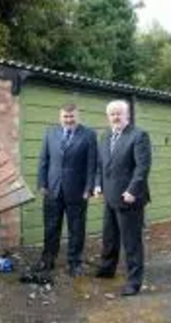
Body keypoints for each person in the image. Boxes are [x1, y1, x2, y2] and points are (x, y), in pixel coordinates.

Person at [94, 100, 152, 296]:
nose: (116, 117)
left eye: (119, 113)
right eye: (112, 114)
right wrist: (97, 184)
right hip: (110, 197)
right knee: (109, 237)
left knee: (131, 242)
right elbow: (100, 164)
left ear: (127, 115)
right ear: (108, 117)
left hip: (129, 199)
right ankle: (107, 269)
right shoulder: (105, 136)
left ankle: (134, 281)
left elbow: (142, 167)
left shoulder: (138, 136)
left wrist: (132, 191)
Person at [33, 103, 97, 277]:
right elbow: (43, 160)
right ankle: (47, 260)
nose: (69, 120)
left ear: (78, 116)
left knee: (76, 229)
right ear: (60, 117)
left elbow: (92, 164)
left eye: (72, 116)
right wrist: (42, 183)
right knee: (51, 227)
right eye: (65, 117)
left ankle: (75, 263)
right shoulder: (50, 133)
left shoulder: (89, 135)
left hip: (77, 190)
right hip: (53, 189)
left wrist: (89, 188)